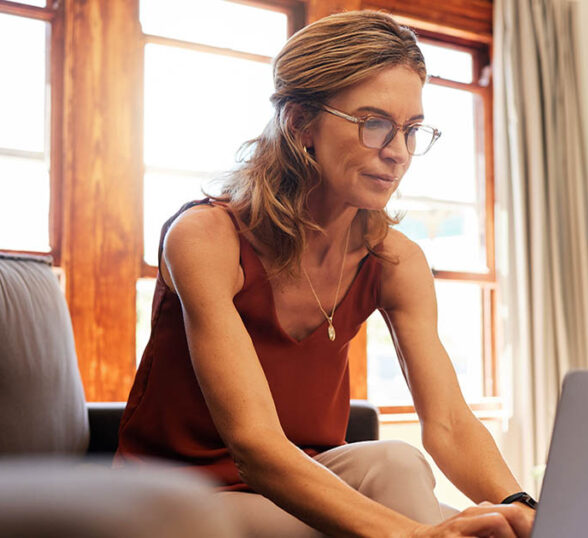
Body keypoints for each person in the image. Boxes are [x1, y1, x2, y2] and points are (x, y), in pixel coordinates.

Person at [115, 10, 535, 538]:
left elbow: (448, 424)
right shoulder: (205, 237)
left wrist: (524, 506)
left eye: (411, 130)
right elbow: (255, 446)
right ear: (299, 123)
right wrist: (415, 534)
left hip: (305, 483)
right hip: (176, 498)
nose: (399, 152)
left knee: (399, 464)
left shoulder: (393, 261)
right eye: (374, 123)